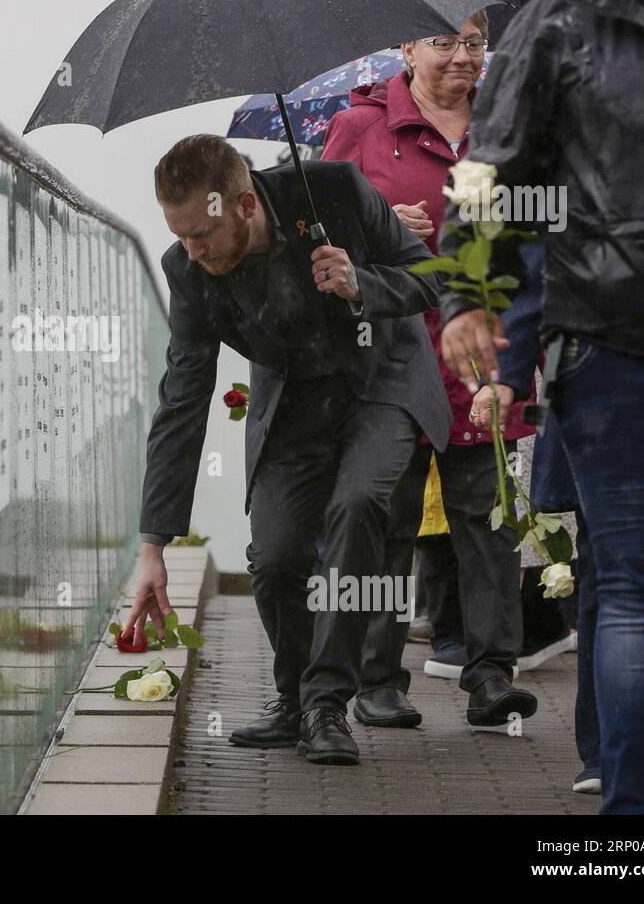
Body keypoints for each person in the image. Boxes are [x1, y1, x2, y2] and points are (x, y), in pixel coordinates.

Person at [439, 0, 644, 813]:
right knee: (635, 588)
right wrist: (470, 293)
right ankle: (633, 822)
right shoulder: (560, 25)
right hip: (612, 350)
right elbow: (489, 169)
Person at [126, 134, 450, 765]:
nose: (192, 251)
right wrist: (152, 546)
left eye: (202, 234)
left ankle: (326, 703)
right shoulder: (187, 271)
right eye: (180, 236)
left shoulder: (333, 189)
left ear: (245, 205)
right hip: (295, 403)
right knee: (274, 558)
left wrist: (360, 284)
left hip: (381, 383)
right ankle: (296, 699)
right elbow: (181, 404)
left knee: (357, 504)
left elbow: (429, 277)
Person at [321, 10, 539, 729]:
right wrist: (377, 224)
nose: (460, 56)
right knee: (389, 521)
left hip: (485, 354)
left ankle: (491, 675)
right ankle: (378, 679)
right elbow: (312, 233)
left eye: (473, 42)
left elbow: (538, 236)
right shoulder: (360, 128)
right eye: (443, 42)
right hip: (392, 361)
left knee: (490, 521)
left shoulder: (508, 126)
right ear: (407, 48)